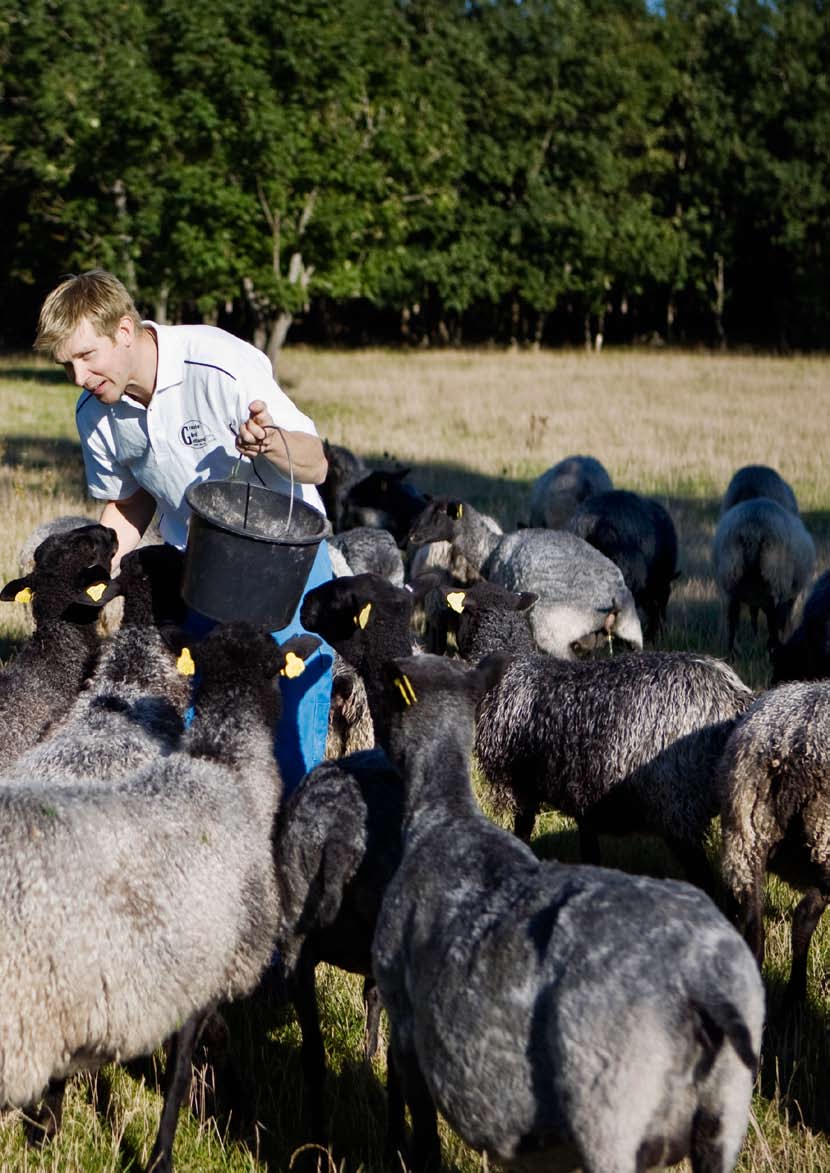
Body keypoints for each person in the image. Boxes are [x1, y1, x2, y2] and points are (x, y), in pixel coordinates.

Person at [35, 269, 333, 792]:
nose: (79, 377)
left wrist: (272, 442)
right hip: (204, 571)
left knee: (292, 708)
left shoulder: (218, 364)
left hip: (284, 561)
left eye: (86, 357)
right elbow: (131, 499)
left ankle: (294, 822)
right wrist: (87, 577)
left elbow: (317, 465)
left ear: (124, 332)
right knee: (204, 721)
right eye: (67, 365)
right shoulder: (96, 414)